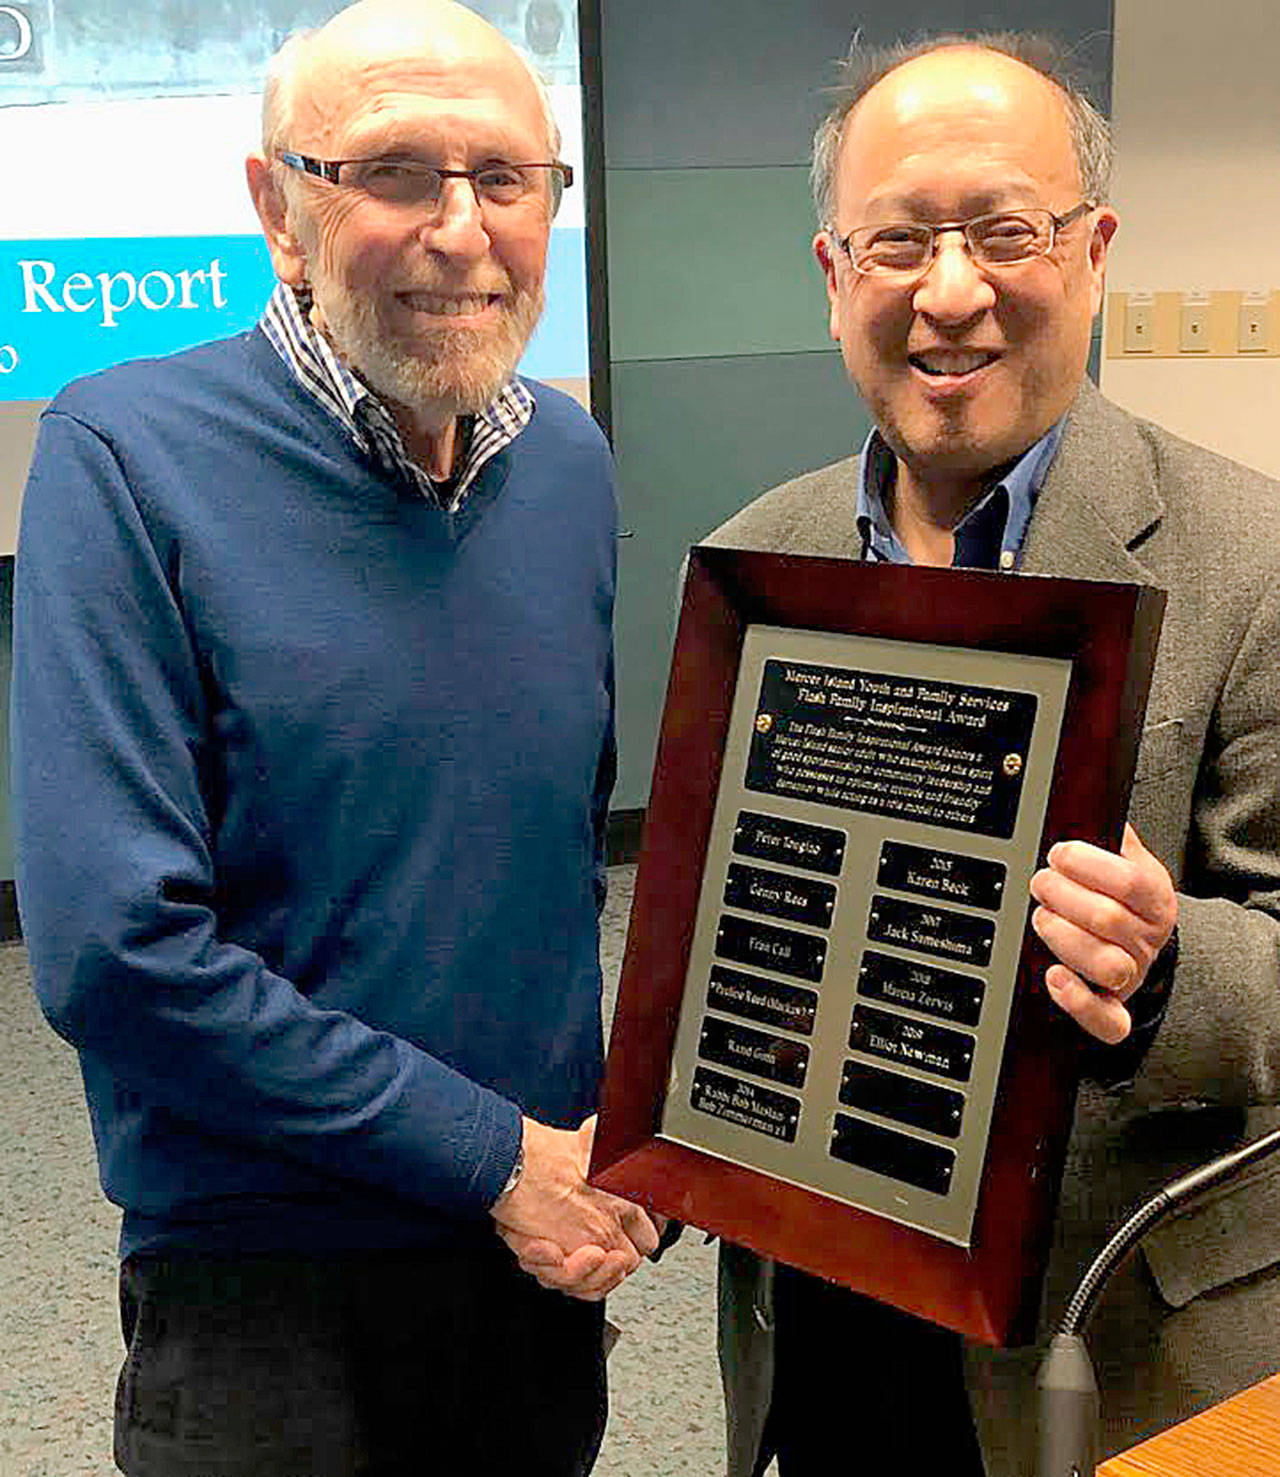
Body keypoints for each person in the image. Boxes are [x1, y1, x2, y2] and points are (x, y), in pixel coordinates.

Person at [11, 3, 659, 1474]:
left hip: (529, 1265)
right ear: (279, 210)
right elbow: (117, 953)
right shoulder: (122, 456)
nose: (461, 228)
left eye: (506, 179)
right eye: (394, 174)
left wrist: (597, 1150)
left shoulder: (569, 462)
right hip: (265, 1290)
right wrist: (489, 1155)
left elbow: (556, 861)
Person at [704, 33, 1280, 1477]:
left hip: (1118, 1347)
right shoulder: (754, 563)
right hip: (820, 1316)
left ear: (1094, 253)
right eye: (899, 241)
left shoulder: (1256, 560)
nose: (950, 291)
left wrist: (1165, 966)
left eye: (1006, 233)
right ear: (835, 275)